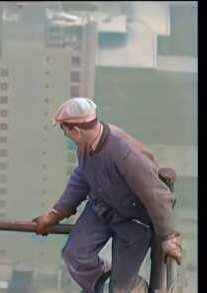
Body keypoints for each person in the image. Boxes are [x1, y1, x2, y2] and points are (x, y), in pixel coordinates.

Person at [32, 98, 182, 292]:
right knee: (75, 256)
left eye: (65, 131)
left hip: (133, 221)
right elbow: (81, 178)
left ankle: (130, 287)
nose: (66, 136)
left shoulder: (123, 152)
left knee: (120, 290)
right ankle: (107, 280)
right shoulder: (85, 145)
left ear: (76, 130)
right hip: (101, 208)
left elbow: (157, 195)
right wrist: (54, 214)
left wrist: (168, 237)